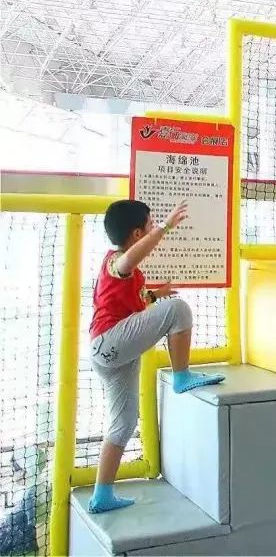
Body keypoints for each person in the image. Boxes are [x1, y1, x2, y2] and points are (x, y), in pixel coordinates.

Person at [88, 199, 224, 513]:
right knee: (178, 310)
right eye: (149, 225)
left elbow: (129, 301)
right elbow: (130, 259)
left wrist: (154, 295)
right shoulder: (117, 261)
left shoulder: (128, 274)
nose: (153, 228)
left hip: (109, 352)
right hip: (110, 341)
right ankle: (181, 376)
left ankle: (101, 495)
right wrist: (165, 227)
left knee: (123, 423)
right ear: (137, 234)